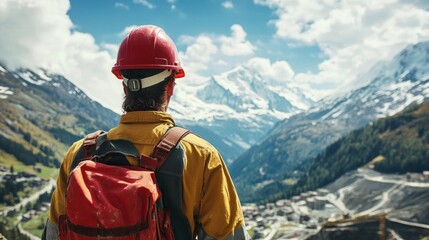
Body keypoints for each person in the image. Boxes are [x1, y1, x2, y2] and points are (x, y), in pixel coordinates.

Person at [43, 25, 251, 240]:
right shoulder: (200, 155)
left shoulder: (79, 154)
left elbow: (54, 233)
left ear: (125, 87)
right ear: (170, 86)